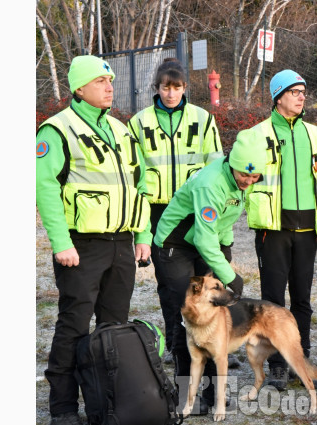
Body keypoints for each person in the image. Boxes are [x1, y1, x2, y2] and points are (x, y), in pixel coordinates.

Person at [36, 55, 152, 425]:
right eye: (100, 80)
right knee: (74, 324)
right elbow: (45, 189)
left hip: (121, 244)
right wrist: (60, 242)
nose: (109, 86)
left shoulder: (120, 130)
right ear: (79, 88)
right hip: (81, 246)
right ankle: (64, 407)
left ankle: (107, 404)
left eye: (110, 80)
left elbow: (141, 184)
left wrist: (143, 234)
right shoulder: (56, 130)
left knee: (114, 327)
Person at [153, 133, 266, 412]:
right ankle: (185, 394)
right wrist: (230, 276)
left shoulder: (242, 181)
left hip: (201, 241)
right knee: (186, 313)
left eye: (254, 178)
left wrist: (225, 250)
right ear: (231, 164)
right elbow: (204, 239)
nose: (248, 182)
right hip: (176, 244)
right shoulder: (211, 183)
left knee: (215, 311)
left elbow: (225, 219)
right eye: (244, 175)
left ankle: (213, 392)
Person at [242, 69, 317, 391]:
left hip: (307, 228)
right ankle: (277, 366)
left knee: (303, 301)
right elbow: (245, 181)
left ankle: (301, 361)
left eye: (303, 91)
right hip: (273, 230)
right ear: (278, 96)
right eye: (295, 91)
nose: (301, 96)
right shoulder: (256, 135)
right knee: (272, 303)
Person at [127, 58, 223, 360]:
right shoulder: (139, 123)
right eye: (166, 88)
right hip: (159, 211)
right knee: (171, 286)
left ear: (185, 88)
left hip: (196, 209)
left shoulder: (203, 119)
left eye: (177, 87)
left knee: (205, 281)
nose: (171, 94)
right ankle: (175, 343)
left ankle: (212, 341)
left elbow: (217, 165)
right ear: (157, 88)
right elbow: (134, 174)